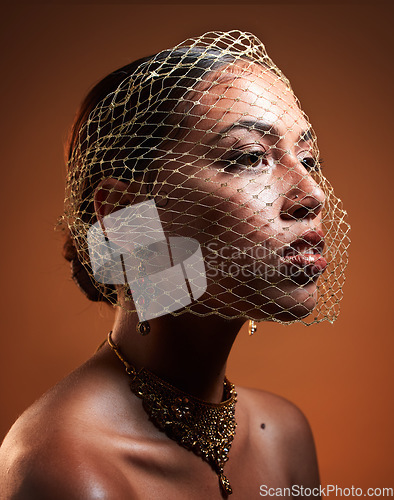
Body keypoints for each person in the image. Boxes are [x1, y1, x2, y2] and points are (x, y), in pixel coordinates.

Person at [0, 30, 349, 499]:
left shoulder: (285, 436)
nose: (311, 194)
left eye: (309, 158)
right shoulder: (66, 467)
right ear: (124, 213)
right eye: (250, 157)